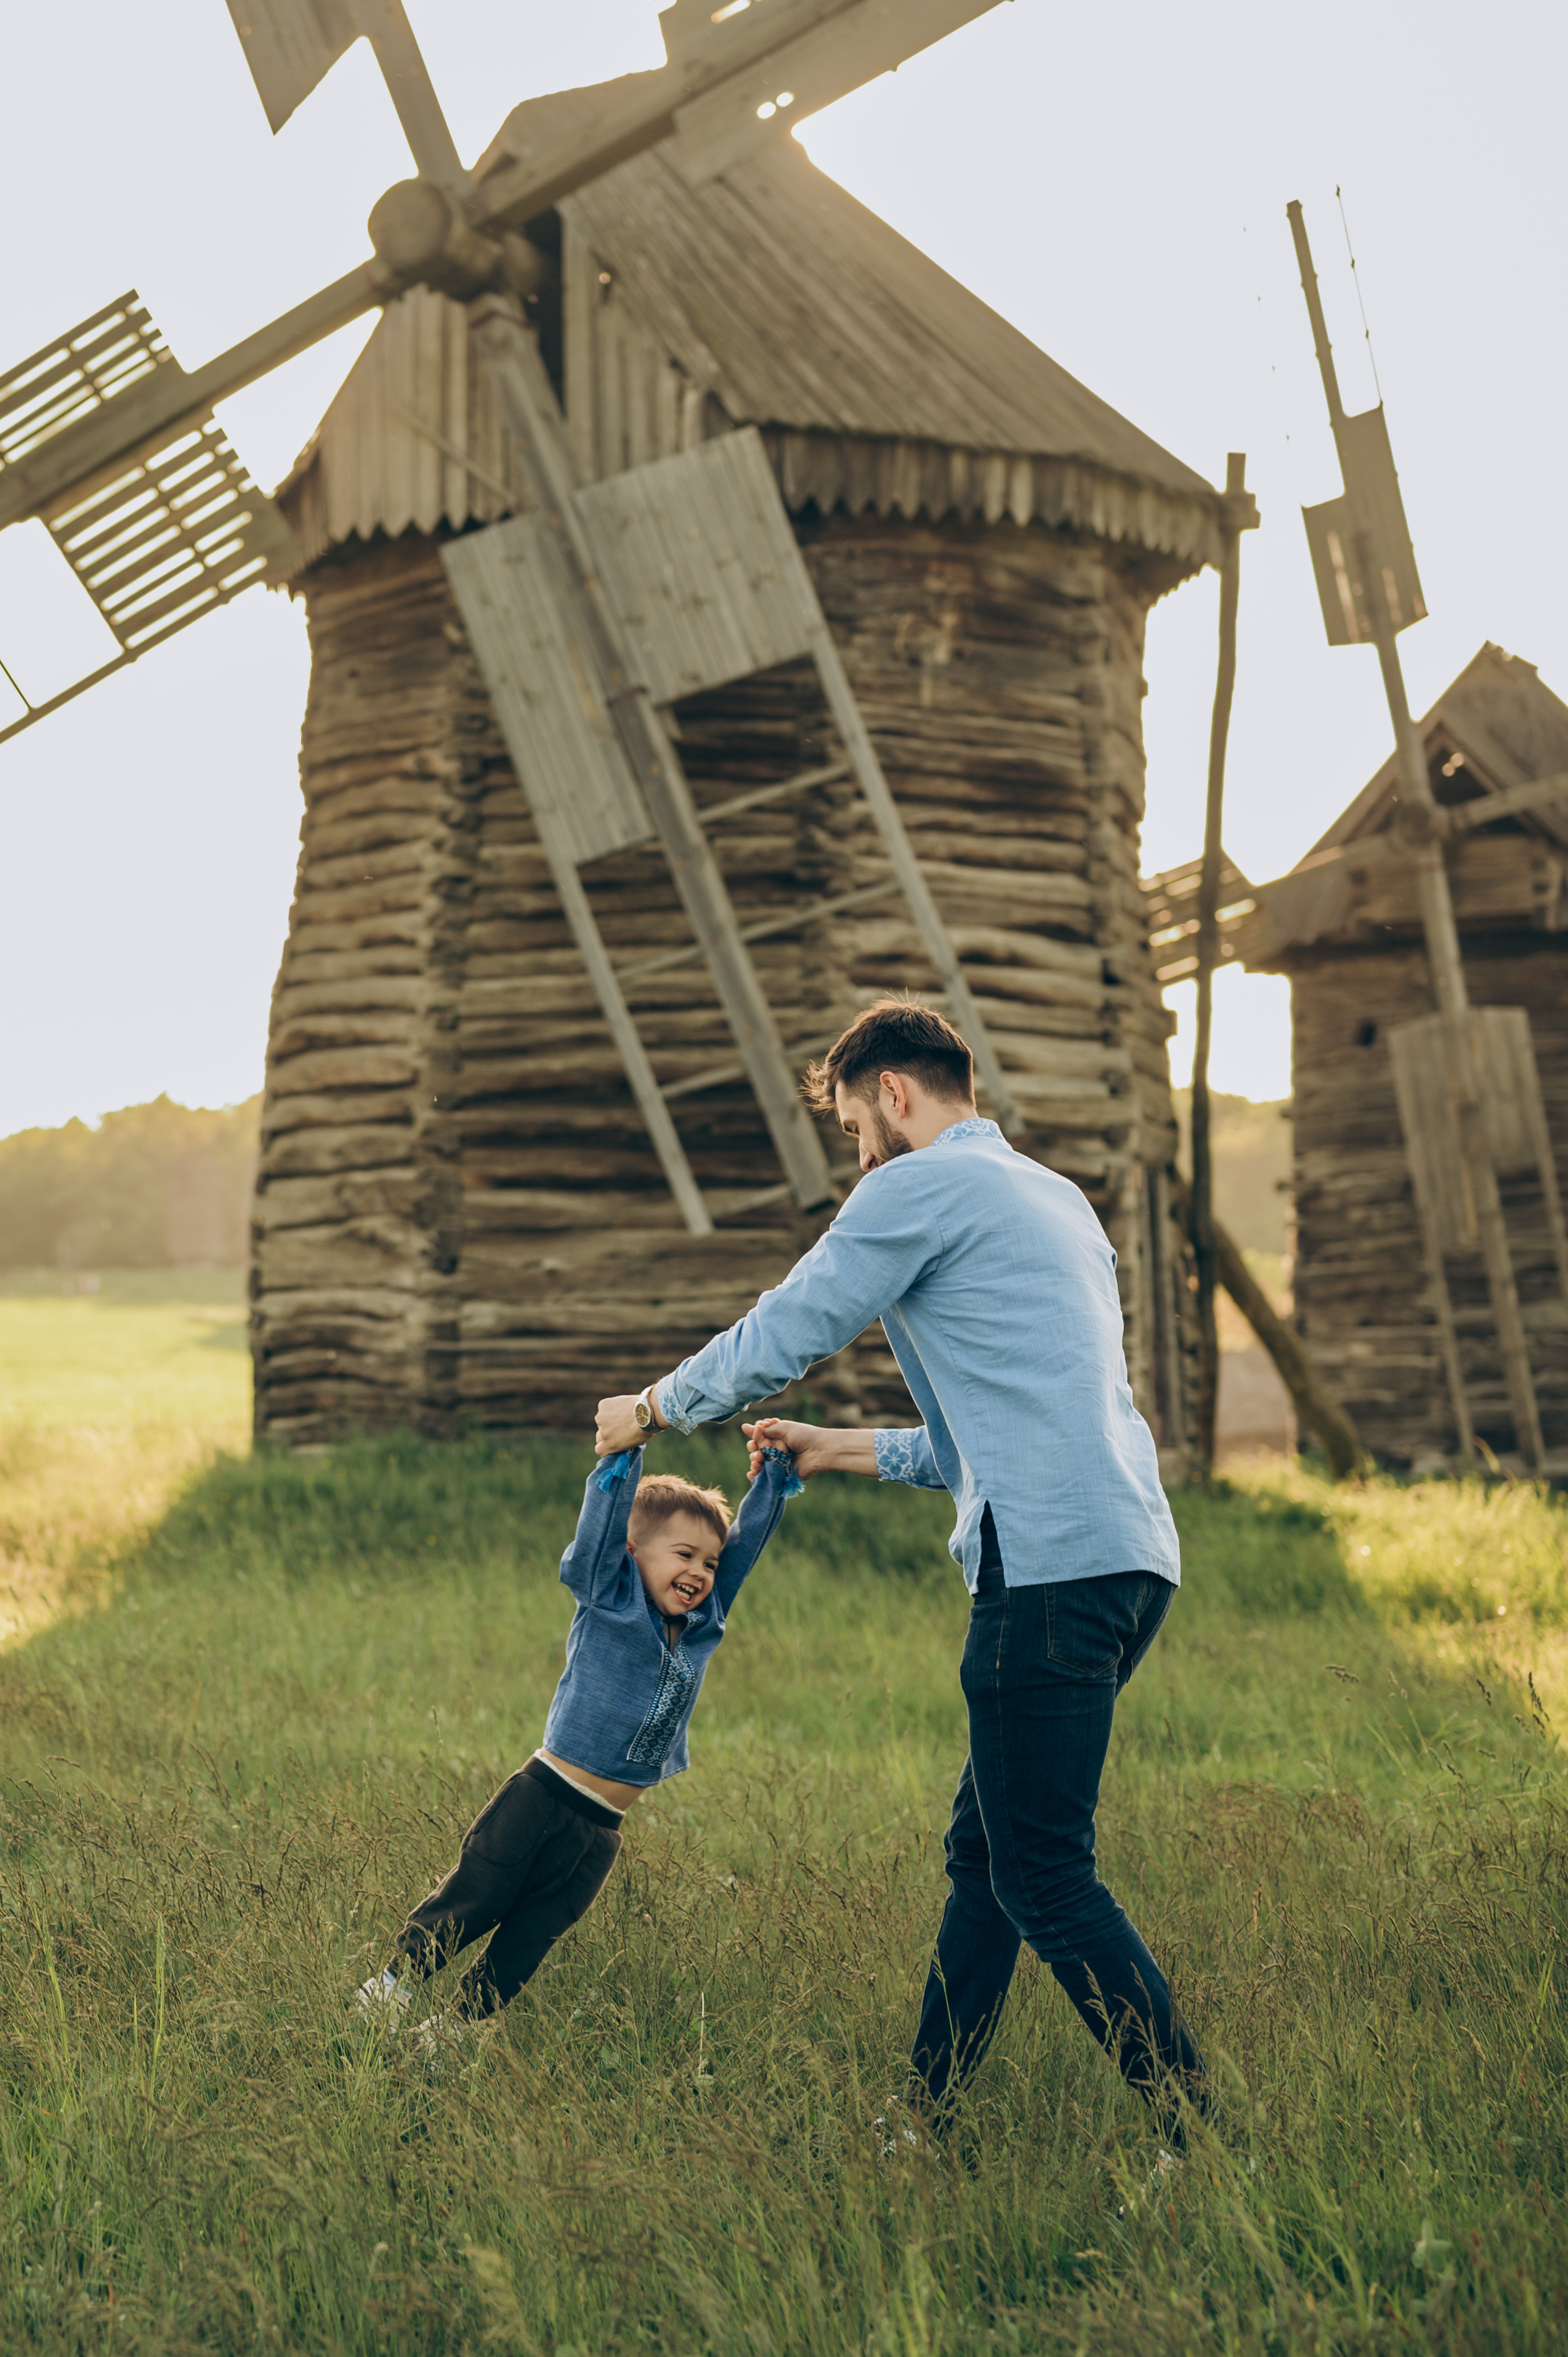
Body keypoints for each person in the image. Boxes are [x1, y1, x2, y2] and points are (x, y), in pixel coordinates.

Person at [596, 998, 1206, 2141]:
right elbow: (1014, 1424)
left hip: (1045, 1577)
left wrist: (652, 1406)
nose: (857, 1155)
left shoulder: (914, 1185)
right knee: (991, 1855)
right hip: (1127, 1560)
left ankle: (1199, 2134)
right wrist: (839, 1449)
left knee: (1043, 1875)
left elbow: (792, 1325)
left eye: (851, 1125)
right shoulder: (1053, 1199)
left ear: (892, 1093)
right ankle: (923, 2115)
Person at [356, 1443, 801, 2050]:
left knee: (531, 1936)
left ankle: (448, 2038)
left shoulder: (705, 1622)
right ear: (631, 1554)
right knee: (475, 1898)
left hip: (601, 1830)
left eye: (708, 1561)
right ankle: (385, 1994)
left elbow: (744, 1548)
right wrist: (625, 1451)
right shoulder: (608, 1599)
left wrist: (774, 1474)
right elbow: (595, 1537)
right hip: (539, 1799)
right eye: (683, 1555)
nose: (699, 1571)